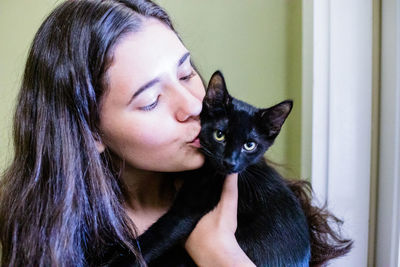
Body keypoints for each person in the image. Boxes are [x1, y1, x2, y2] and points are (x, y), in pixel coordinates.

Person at [0, 0, 255, 266]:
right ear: (91, 132)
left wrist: (219, 247)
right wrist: (218, 252)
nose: (193, 105)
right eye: (151, 101)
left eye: (185, 74)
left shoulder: (256, 191)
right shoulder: (49, 241)